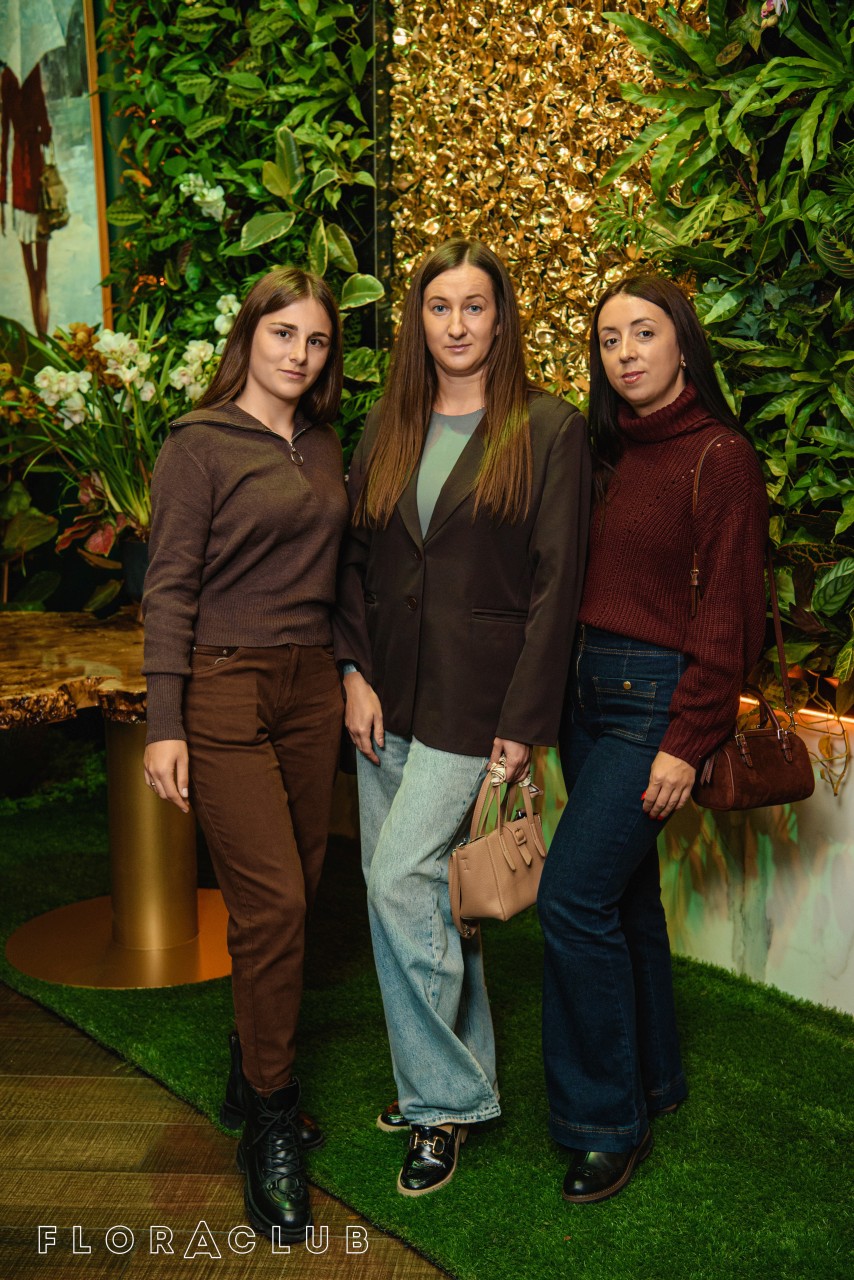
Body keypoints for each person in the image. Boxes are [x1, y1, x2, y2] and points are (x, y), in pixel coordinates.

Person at [334, 237, 592, 1196]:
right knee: (424, 896)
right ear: (418, 320)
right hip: (385, 695)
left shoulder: (549, 428)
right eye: (438, 307)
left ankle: (441, 1103)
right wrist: (351, 670)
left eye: (473, 306)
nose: (456, 324)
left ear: (500, 317)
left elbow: (556, 587)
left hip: (477, 703)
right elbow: (353, 560)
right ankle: (448, 1073)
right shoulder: (388, 423)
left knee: (398, 883)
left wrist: (523, 723)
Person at [538, 273, 769, 1204]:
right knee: (624, 900)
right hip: (583, 693)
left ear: (682, 344)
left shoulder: (721, 456)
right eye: (608, 339)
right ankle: (656, 1081)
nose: (625, 352)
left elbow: (731, 614)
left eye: (644, 332)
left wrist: (689, 737)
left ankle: (605, 1123)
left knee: (570, 901)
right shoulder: (607, 454)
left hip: (652, 704)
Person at [142, 267, 348, 1240]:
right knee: (273, 902)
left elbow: (342, 573)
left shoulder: (324, 444)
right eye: (283, 334)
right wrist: (164, 721)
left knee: (300, 887)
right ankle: (270, 1115)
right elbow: (168, 586)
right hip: (223, 682)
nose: (299, 354)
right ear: (249, 337)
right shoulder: (199, 442)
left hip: (311, 686)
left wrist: (350, 671)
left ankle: (246, 1061)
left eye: (316, 340)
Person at [0, 64, 53, 333]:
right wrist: (40, 131)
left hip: (20, 185)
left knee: (31, 274)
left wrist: (1, 197)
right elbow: (47, 132)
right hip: (37, 178)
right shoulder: (33, 73)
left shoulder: (6, 80)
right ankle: (43, 338)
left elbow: (4, 139)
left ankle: (38, 337)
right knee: (42, 275)